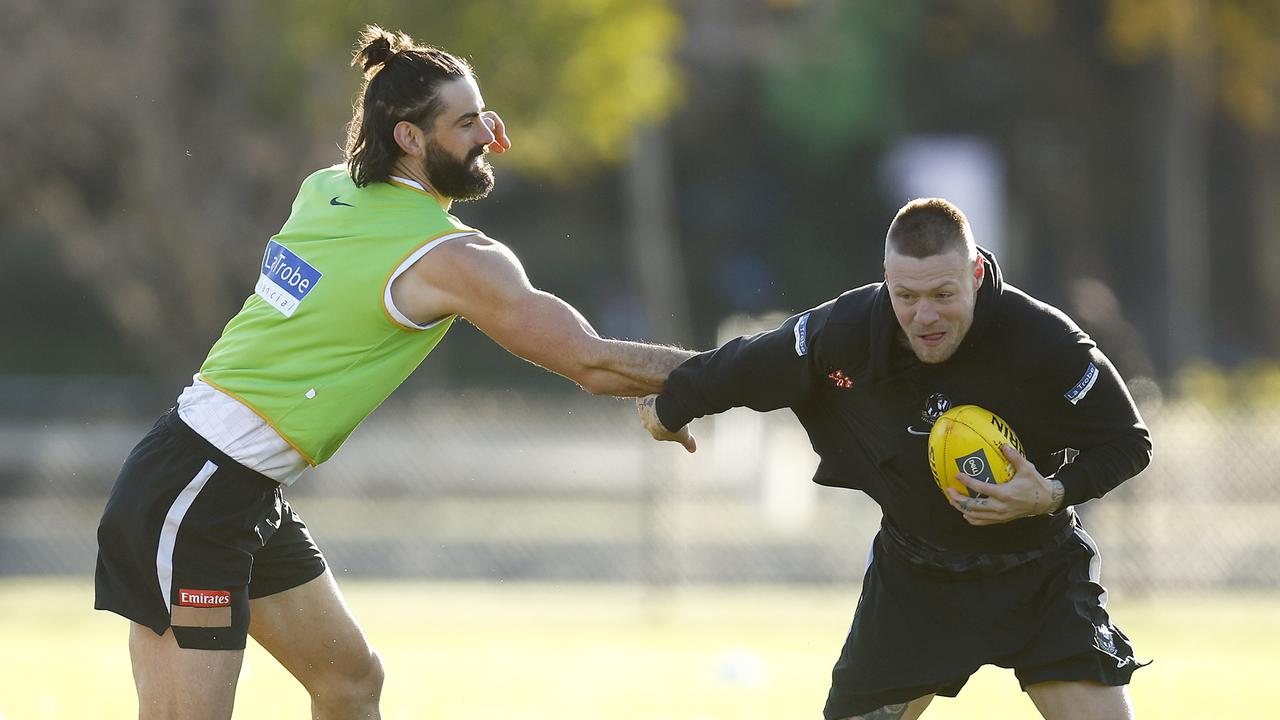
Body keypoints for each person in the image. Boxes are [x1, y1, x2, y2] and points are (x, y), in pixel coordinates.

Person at [94, 25, 694, 720]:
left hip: (235, 488)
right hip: (194, 491)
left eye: (484, 117)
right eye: (468, 123)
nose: (489, 137)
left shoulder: (325, 190)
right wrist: (733, 375)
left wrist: (452, 127)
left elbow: (368, 209)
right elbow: (589, 360)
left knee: (351, 682)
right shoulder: (450, 258)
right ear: (410, 138)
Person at [638, 197, 1152, 720]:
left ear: (975, 274)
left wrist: (1051, 493)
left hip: (1041, 574)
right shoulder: (853, 325)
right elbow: (752, 362)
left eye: (942, 294)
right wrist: (673, 407)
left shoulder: (1045, 340)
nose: (923, 315)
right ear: (886, 279)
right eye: (906, 295)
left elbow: (1129, 441)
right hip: (918, 580)